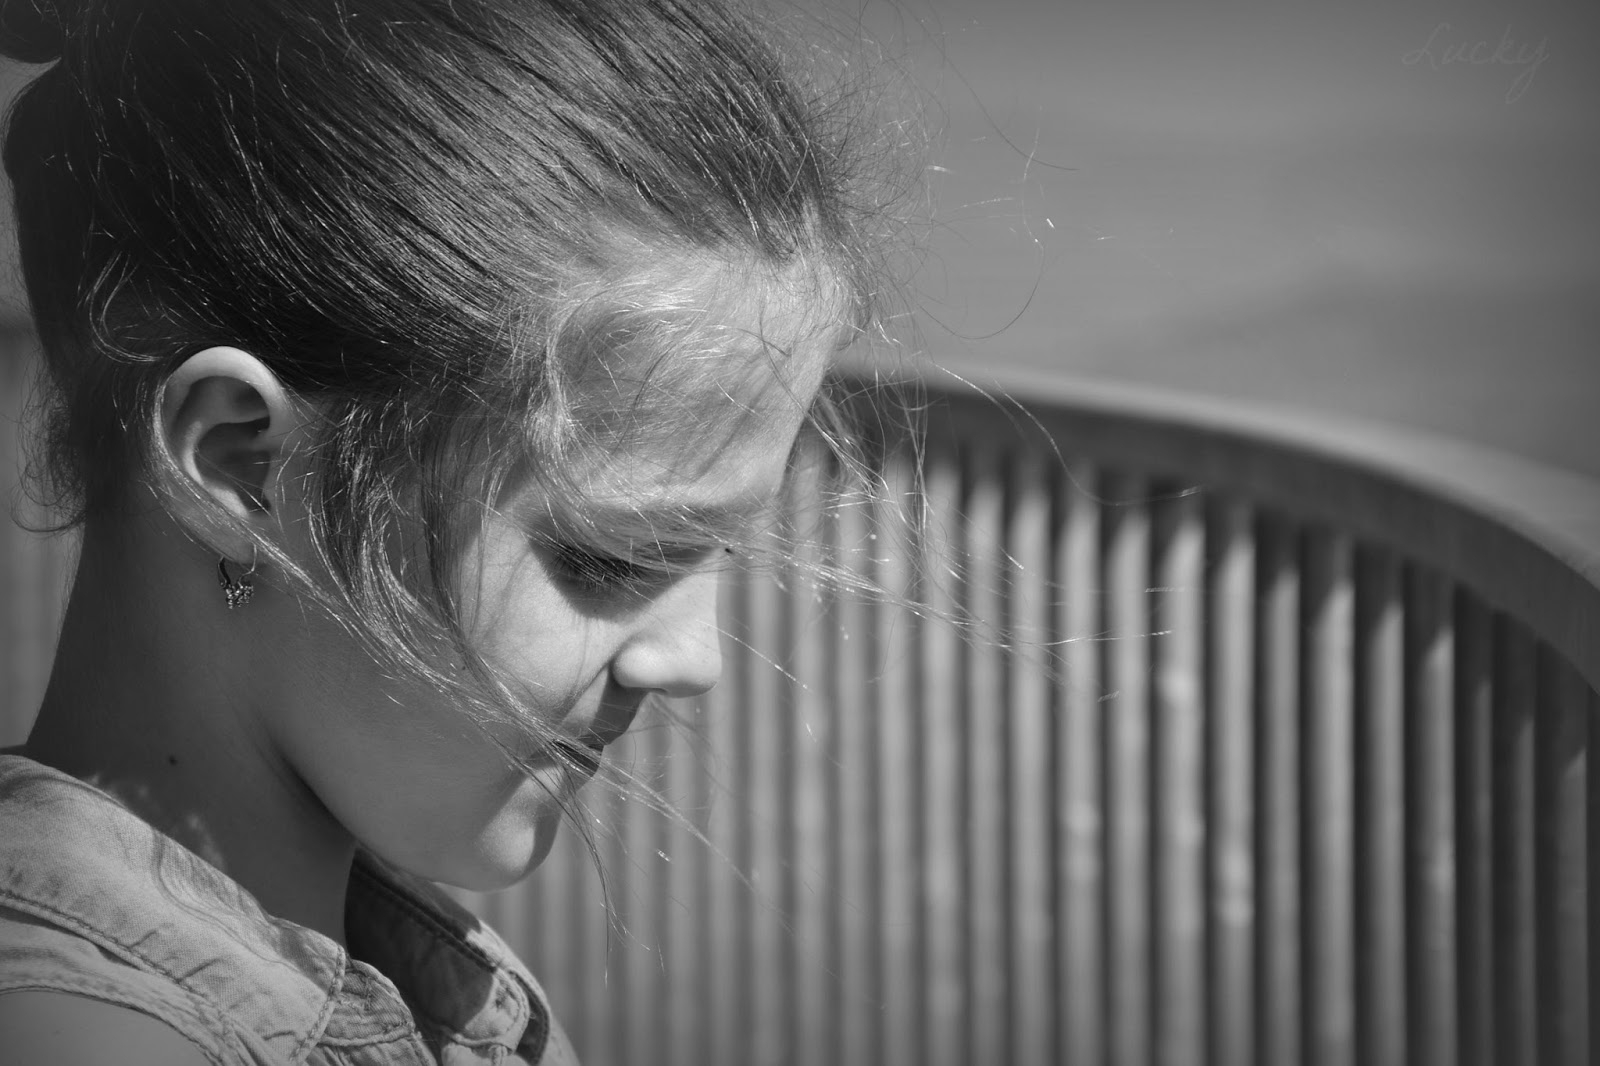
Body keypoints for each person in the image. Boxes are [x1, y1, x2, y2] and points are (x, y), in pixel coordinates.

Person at [0, 0, 895, 1060]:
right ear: (239, 465)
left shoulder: (448, 1000)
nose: (695, 659)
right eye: (606, 556)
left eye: (719, 549)